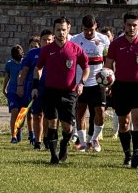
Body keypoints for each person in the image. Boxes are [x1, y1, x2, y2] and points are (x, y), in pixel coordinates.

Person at [105, 12, 138, 168]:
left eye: (134, 25)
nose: (131, 28)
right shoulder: (116, 44)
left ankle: (136, 153)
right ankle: (127, 155)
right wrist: (107, 85)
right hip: (121, 85)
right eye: (129, 25)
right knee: (124, 123)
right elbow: (108, 67)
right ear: (124, 25)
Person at [31, 17, 88, 164]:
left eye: (63, 29)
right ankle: (53, 156)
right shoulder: (47, 50)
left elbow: (86, 67)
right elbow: (38, 68)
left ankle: (64, 145)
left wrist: (81, 82)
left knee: (67, 127)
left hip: (69, 93)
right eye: (58, 30)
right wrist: (35, 86)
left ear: (68, 29)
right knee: (52, 122)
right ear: (54, 31)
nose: (61, 32)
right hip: (50, 91)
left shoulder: (75, 49)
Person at [71, 14, 111, 152]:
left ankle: (94, 139)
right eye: (86, 29)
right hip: (80, 83)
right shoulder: (75, 40)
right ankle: (82, 142)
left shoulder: (104, 39)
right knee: (80, 112)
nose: (88, 32)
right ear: (82, 27)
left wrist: (110, 81)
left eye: (91, 30)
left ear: (96, 27)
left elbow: (108, 61)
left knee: (100, 111)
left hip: (98, 82)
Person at [17, 29, 54, 149]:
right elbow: (25, 71)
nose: (47, 42)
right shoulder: (33, 54)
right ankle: (37, 142)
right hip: (35, 88)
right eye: (44, 40)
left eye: (49, 40)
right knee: (37, 115)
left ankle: (47, 139)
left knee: (49, 115)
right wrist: (20, 85)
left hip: (51, 88)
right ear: (41, 41)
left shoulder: (56, 53)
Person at [3, 44, 26, 143]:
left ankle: (19, 129)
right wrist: (4, 89)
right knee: (14, 112)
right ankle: (14, 136)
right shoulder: (9, 64)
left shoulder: (25, 63)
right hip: (12, 91)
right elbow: (7, 77)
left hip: (23, 92)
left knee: (22, 114)